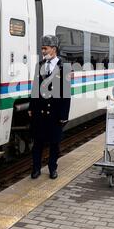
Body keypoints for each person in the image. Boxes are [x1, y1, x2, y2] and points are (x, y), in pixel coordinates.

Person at [29, 35, 72, 180]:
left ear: (53, 49)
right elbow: (35, 88)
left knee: (55, 144)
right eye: (42, 48)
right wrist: (31, 107)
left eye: (45, 48)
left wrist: (64, 115)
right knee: (37, 143)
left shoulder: (64, 67)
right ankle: (36, 169)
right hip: (39, 112)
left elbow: (66, 93)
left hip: (55, 112)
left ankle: (52, 168)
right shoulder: (39, 65)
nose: (42, 51)